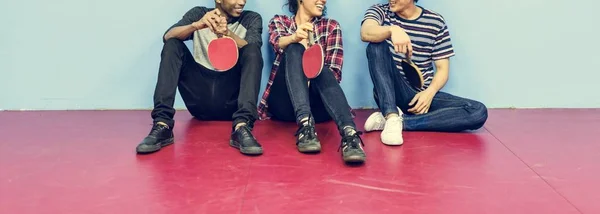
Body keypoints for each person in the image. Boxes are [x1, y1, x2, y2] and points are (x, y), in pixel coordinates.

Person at [135, 0, 265, 156]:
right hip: (199, 100)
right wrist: (197, 25)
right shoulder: (199, 14)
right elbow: (168, 36)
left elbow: (253, 49)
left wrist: (227, 33)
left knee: (252, 50)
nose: (242, 2)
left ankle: (242, 127)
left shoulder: (251, 18)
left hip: (232, 103)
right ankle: (162, 125)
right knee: (172, 45)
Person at [360, 0, 488, 145]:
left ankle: (401, 122)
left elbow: (442, 69)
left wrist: (429, 92)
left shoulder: (435, 21)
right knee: (375, 46)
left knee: (478, 112)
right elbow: (366, 32)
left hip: (422, 96)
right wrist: (392, 30)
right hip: (391, 93)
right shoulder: (381, 11)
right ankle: (391, 114)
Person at [257, 0, 366, 164]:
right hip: (285, 104)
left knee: (322, 66)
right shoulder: (280, 21)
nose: (323, 0)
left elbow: (334, 76)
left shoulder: (331, 27)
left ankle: (350, 135)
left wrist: (313, 59)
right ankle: (305, 126)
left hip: (319, 107)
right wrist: (294, 38)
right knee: (294, 48)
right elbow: (277, 42)